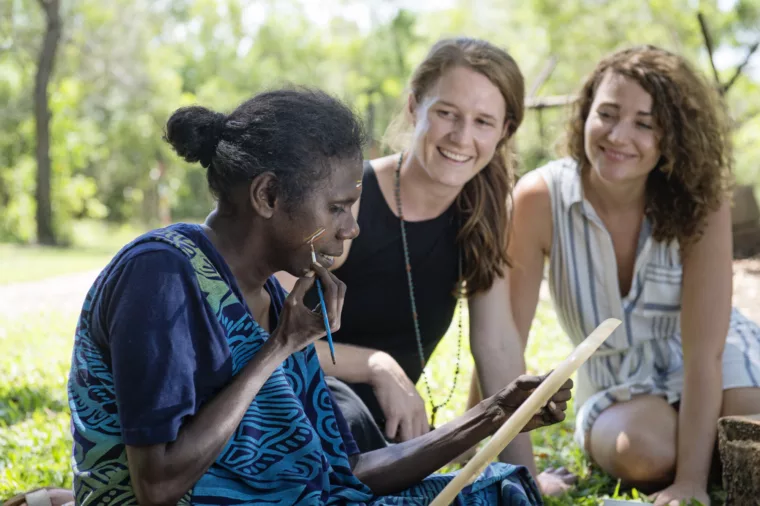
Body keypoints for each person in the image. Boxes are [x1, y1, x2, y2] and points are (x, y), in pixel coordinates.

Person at [66, 87, 572, 505]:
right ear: (268, 196)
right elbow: (156, 485)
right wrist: (278, 349)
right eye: (337, 207)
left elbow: (343, 471)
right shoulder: (161, 275)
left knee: (496, 495)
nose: (351, 228)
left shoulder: (270, 297)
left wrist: (497, 412)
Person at [276, 36, 576, 497]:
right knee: (345, 420)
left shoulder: (484, 214)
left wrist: (527, 481)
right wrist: (376, 365)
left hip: (388, 438)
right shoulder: (347, 199)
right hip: (305, 409)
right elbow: (258, 337)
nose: (461, 137)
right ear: (415, 106)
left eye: (483, 121)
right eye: (446, 113)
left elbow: (496, 347)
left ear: (505, 131)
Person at [492, 45, 760, 505]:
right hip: (615, 375)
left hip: (709, 357)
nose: (619, 136)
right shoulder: (541, 198)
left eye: (645, 123)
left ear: (673, 136)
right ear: (585, 114)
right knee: (644, 452)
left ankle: (703, 456)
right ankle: (697, 450)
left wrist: (691, 483)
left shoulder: (702, 201)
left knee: (748, 427)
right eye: (608, 114)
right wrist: (483, 446)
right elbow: (504, 341)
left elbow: (705, 354)